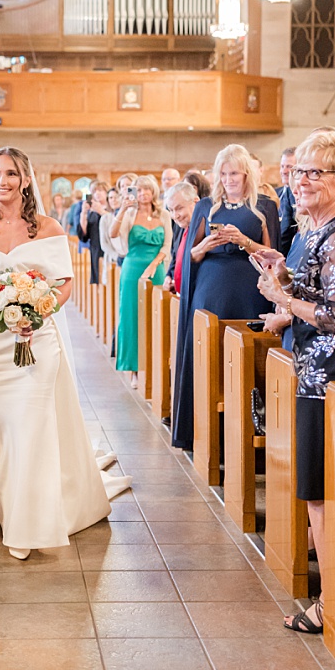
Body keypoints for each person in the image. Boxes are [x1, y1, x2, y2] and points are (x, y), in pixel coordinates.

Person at [0, 147, 130, 558]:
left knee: (30, 426)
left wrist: (40, 311)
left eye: (11, 174)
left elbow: (64, 282)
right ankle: (8, 499)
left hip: (38, 340)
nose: (2, 181)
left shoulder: (48, 227)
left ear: (26, 179)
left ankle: (28, 523)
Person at [251, 131, 335, 634]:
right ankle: (333, 598)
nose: (301, 181)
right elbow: (317, 291)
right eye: (297, 172)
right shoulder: (315, 227)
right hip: (314, 371)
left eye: (315, 173)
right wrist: (282, 276)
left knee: (327, 493)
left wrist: (283, 301)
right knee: (316, 489)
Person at [170, 144, 273, 451]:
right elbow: (192, 254)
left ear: (247, 175)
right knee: (208, 354)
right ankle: (202, 432)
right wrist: (208, 244)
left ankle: (249, 431)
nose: (229, 180)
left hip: (249, 290)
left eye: (235, 174)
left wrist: (244, 241)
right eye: (224, 174)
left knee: (246, 358)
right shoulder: (206, 207)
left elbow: (272, 254)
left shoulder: (265, 206)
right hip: (210, 288)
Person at [113, 174, 169, 382]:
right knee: (131, 316)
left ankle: (156, 365)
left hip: (156, 268)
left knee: (157, 316)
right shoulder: (129, 214)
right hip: (132, 268)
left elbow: (166, 245)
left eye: (147, 189)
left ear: (154, 191)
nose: (144, 193)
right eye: (140, 189)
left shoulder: (164, 215)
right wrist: (123, 209)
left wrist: (154, 265)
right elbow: (112, 233)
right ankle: (133, 368)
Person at [162, 181, 199, 296]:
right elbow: (176, 255)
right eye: (171, 210)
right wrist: (170, 276)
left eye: (179, 208)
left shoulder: (205, 229)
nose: (175, 216)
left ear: (195, 202)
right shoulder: (180, 227)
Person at [80, 180, 109, 285]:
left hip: (107, 248)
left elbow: (112, 225)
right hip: (95, 248)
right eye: (94, 191)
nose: (97, 193)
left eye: (100, 190)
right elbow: (84, 235)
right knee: (97, 279)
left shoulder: (111, 209)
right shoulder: (91, 212)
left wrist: (101, 211)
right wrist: (83, 213)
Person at [277, 146, 298, 253]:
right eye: (282, 166)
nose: (284, 171)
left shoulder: (303, 197)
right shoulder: (275, 194)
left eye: (289, 167)